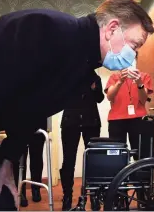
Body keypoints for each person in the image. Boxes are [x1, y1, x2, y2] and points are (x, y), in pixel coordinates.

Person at [0, 0, 154, 210]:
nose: (134, 55)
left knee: (2, 200)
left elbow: (33, 108)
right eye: (135, 45)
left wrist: (8, 158)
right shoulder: (50, 28)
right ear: (112, 29)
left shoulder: (83, 69)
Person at [60, 72, 104, 211]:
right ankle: (67, 196)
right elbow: (60, 97)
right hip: (70, 121)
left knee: (93, 161)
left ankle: (94, 196)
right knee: (68, 160)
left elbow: (100, 98)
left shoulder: (94, 77)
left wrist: (94, 89)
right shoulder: (67, 75)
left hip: (91, 121)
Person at [105, 58, 153, 160]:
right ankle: (120, 175)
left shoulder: (144, 76)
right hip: (116, 119)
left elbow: (143, 100)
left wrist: (139, 83)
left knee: (141, 152)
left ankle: (141, 175)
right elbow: (110, 97)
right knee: (117, 153)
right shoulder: (114, 77)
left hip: (138, 118)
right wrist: (120, 81)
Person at [13, 121, 47, 207]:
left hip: (38, 121)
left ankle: (36, 189)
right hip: (19, 122)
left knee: (37, 158)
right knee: (20, 160)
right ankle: (21, 192)